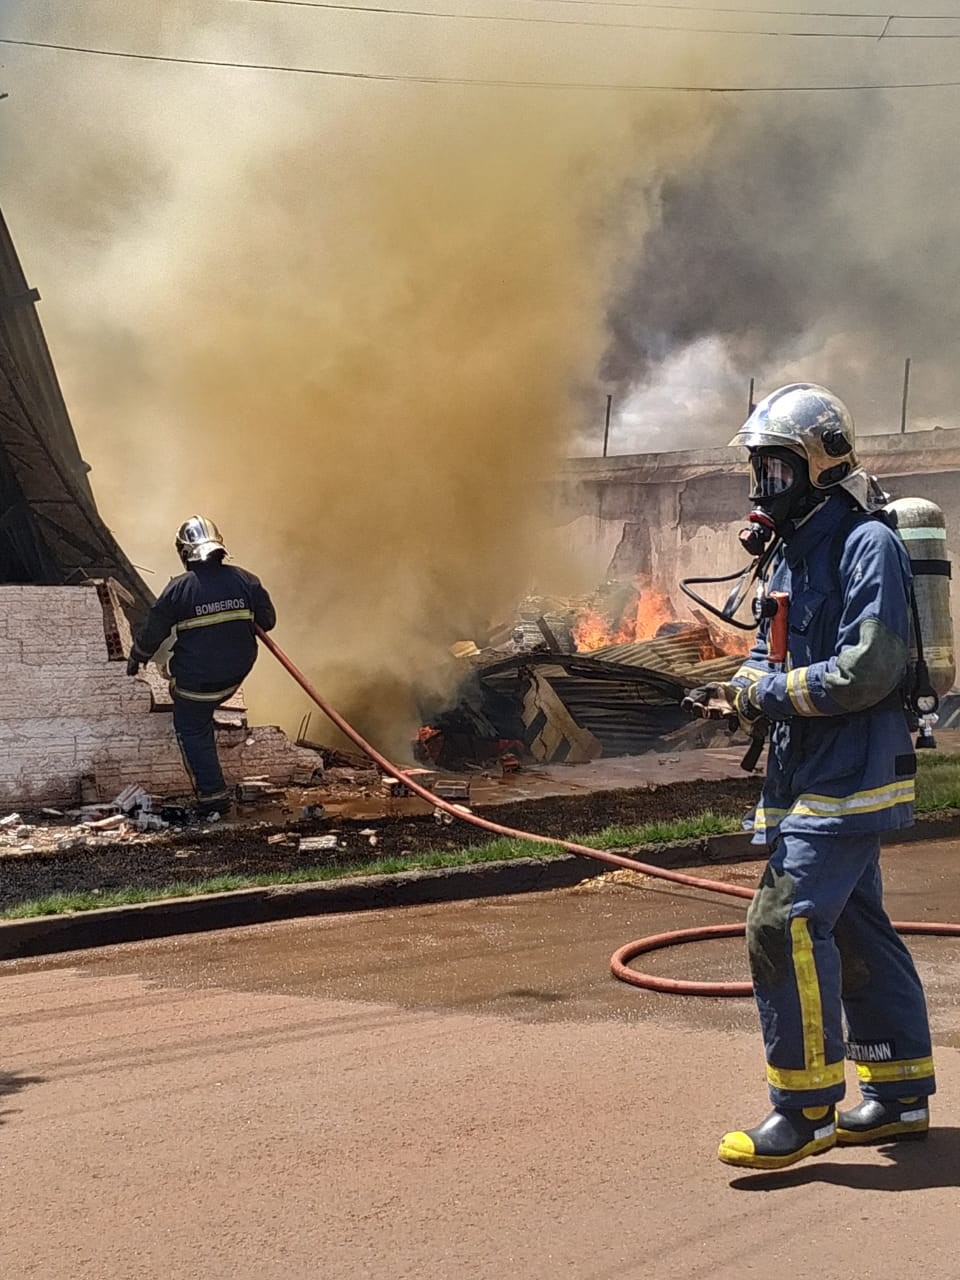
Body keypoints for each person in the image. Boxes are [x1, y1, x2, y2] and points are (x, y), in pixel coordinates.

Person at [686, 384, 934, 1171]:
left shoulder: (869, 545)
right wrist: (743, 687)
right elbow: (773, 647)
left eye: (776, 470)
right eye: (757, 471)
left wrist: (774, 692)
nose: (764, 488)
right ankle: (898, 1092)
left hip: (854, 773)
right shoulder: (790, 550)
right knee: (856, 924)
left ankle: (804, 1108)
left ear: (820, 465)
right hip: (809, 772)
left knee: (783, 920)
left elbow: (872, 665)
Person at [126, 516, 276, 818]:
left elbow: (153, 630)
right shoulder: (247, 580)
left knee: (191, 724)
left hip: (198, 683)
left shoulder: (178, 590)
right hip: (235, 675)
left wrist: (137, 656)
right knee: (197, 703)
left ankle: (213, 798)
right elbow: (268, 622)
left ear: (184, 553)